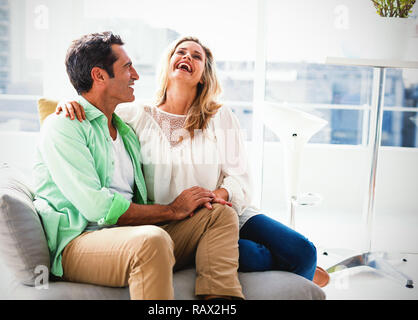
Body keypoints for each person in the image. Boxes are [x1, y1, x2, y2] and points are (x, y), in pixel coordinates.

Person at [58, 36, 318, 282]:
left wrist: (212, 198)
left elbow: (239, 177)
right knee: (251, 253)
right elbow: (98, 106)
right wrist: (70, 103)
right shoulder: (134, 116)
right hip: (172, 223)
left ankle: (304, 269)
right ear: (169, 62)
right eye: (180, 52)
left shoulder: (219, 116)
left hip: (223, 211)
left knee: (304, 251)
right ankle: (296, 269)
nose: (187, 57)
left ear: (204, 74)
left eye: (197, 56)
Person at [33, 31, 244, 300]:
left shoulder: (125, 127)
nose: (136, 75)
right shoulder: (64, 125)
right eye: (127, 67)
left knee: (219, 214)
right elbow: (97, 206)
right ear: (99, 76)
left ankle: (221, 302)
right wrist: (171, 210)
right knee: (151, 242)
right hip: (79, 241)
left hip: (131, 235)